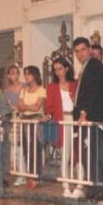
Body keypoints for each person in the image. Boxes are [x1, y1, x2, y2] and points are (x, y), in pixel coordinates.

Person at [72, 37, 103, 198]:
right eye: (77, 51)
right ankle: (94, 188)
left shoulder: (95, 66)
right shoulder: (85, 68)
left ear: (89, 50)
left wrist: (83, 113)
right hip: (87, 118)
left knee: (93, 154)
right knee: (88, 155)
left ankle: (100, 190)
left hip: (93, 118)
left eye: (82, 50)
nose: (80, 54)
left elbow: (94, 91)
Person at [44, 57, 78, 196]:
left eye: (60, 69)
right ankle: (65, 185)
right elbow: (49, 107)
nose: (58, 72)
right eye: (55, 69)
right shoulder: (52, 87)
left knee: (78, 153)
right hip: (61, 120)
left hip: (75, 120)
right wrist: (47, 115)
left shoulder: (75, 84)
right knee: (65, 153)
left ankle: (79, 185)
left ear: (67, 68)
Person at [14, 65, 46, 187]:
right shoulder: (23, 90)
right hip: (24, 119)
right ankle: (30, 176)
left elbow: (37, 107)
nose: (26, 76)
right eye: (25, 74)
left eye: (29, 74)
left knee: (35, 147)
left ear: (35, 75)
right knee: (26, 148)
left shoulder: (41, 90)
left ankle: (36, 176)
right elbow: (19, 106)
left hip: (35, 120)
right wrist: (29, 106)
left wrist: (26, 106)